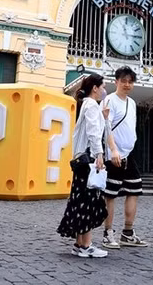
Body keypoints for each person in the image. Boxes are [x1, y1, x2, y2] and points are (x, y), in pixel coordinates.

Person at [57, 73, 109, 258]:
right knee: (89, 201)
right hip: (88, 160)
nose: (104, 90)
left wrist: (103, 117)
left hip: (81, 160)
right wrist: (99, 155)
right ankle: (86, 245)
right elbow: (94, 133)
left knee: (80, 201)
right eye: (102, 86)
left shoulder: (88, 105)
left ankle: (79, 243)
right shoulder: (91, 105)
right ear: (95, 88)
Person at [102, 67, 148, 248]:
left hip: (129, 154)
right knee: (110, 195)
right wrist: (113, 151)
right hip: (113, 154)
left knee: (134, 190)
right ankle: (108, 233)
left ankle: (127, 233)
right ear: (116, 82)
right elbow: (106, 127)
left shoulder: (132, 103)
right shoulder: (109, 100)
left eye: (130, 81)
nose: (127, 84)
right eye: (124, 81)